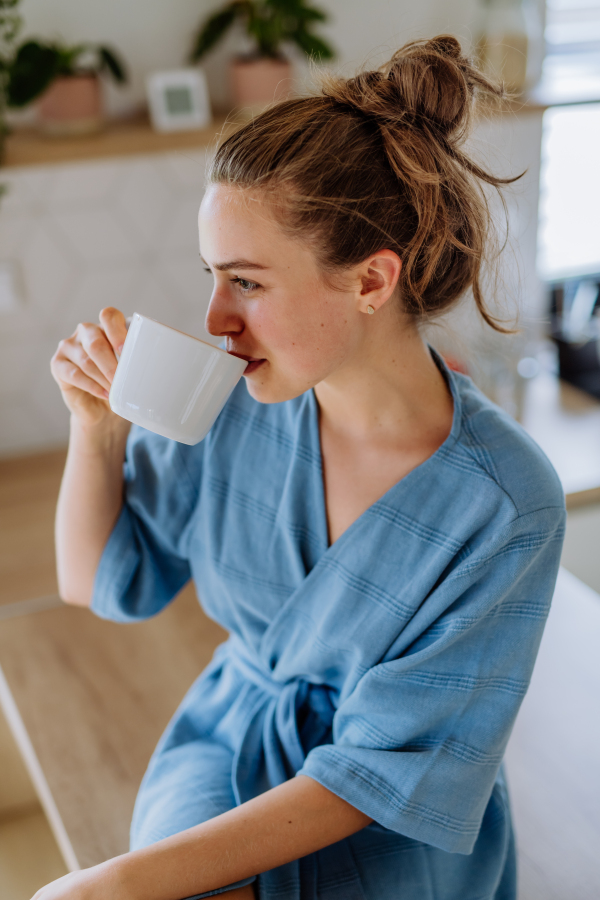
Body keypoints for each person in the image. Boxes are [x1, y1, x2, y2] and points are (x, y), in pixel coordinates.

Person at [41, 35, 564, 900]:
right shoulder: (232, 410)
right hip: (225, 747)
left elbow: (382, 772)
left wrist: (119, 883)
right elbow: (98, 584)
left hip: (393, 811)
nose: (214, 316)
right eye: (211, 276)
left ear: (370, 281)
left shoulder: (506, 504)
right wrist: (93, 429)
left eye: (246, 281)